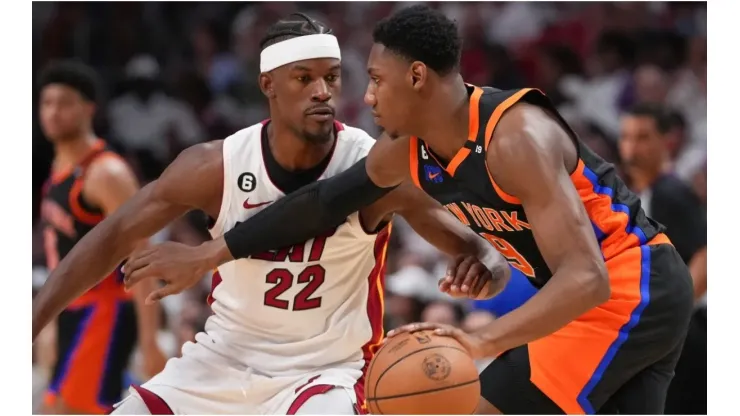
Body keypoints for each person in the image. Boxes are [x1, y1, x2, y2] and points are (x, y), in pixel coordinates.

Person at [125, 5, 694, 415]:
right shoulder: (407, 151)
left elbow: (587, 277)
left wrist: (481, 342)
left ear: (416, 77)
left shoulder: (514, 137)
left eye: (375, 80)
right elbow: (320, 204)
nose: (366, 97)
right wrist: (209, 253)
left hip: (627, 286)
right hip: (620, 296)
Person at [32, 14, 510, 415]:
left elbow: (480, 250)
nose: (322, 91)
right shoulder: (214, 166)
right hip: (221, 359)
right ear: (268, 85)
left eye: (332, 76)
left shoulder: (374, 167)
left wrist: (482, 268)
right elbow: (109, 237)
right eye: (304, 78)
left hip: (327, 373)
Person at [35, 61, 166, 414]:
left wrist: (150, 340)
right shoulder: (59, 170)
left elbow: (143, 253)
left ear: (88, 108)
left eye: (64, 103)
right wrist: (48, 322)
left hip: (103, 310)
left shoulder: (106, 172)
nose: (52, 112)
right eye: (46, 103)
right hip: (68, 310)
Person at [618, 104, 707, 414]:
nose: (632, 147)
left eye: (643, 137)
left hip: (690, 330)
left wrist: (673, 319)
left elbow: (705, 255)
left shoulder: (671, 191)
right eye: (626, 137)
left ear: (665, 142)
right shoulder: (642, 194)